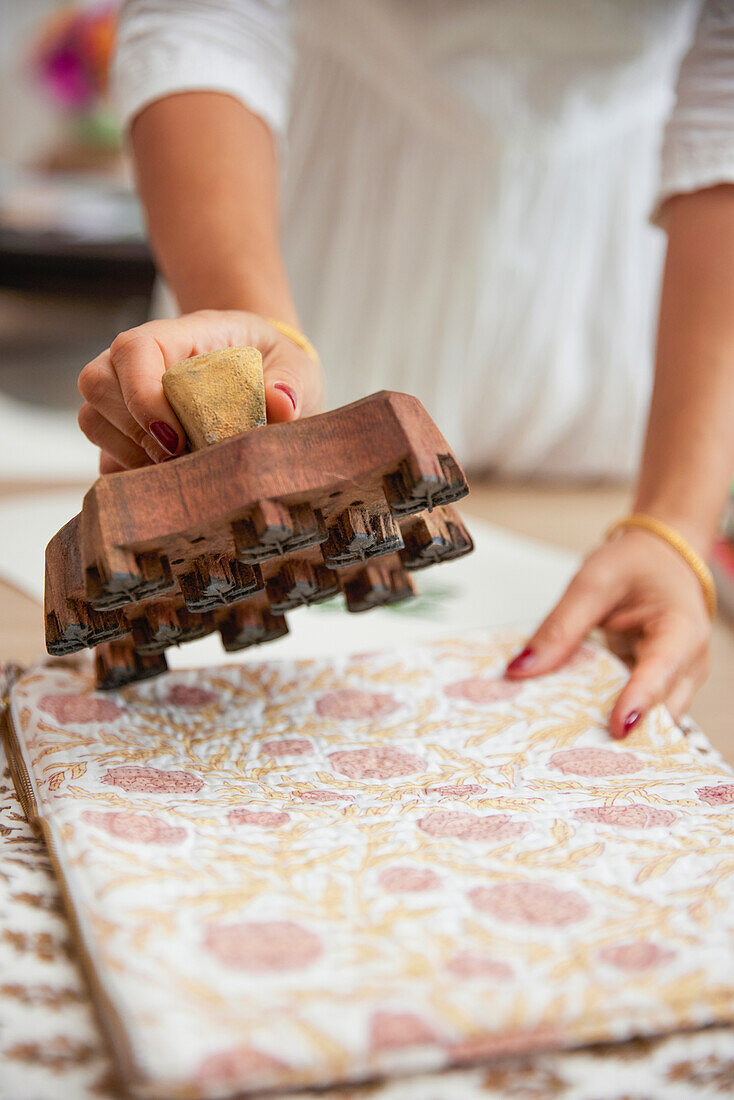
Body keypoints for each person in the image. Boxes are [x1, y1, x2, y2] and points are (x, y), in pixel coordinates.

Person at [77, 0, 734, 738]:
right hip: (311, 244)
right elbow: (204, 18)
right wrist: (257, 326)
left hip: (612, 318)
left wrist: (675, 525)